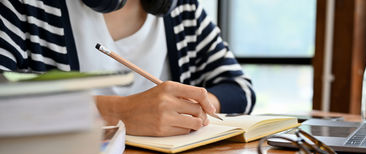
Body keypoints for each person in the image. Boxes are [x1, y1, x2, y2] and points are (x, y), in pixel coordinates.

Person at [0, 0, 256, 136]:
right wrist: (116, 112)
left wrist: (195, 107)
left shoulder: (184, 9)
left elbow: (241, 90)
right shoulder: (25, 5)